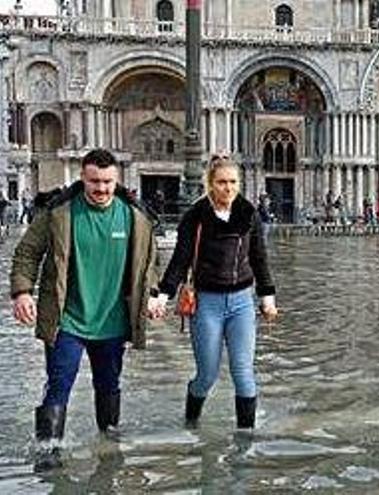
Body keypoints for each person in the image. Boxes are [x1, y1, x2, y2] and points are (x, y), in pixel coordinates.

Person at [10, 149, 160, 469]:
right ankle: (48, 456)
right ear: (82, 177)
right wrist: (22, 292)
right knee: (58, 384)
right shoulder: (59, 212)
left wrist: (153, 296)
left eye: (107, 182)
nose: (101, 189)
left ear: (117, 179)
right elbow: (26, 253)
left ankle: (109, 449)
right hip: (67, 321)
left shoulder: (135, 216)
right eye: (94, 182)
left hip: (114, 322)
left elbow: (149, 263)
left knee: (109, 385)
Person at [155, 155, 278, 430]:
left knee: (244, 373)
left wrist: (267, 296)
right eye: (222, 182)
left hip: (242, 303)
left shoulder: (249, 213)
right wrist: (163, 295)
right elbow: (181, 258)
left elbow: (259, 257)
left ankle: (245, 443)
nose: (228, 188)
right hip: (207, 303)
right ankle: (191, 422)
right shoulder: (195, 216)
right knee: (206, 375)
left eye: (233, 182)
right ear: (210, 184)